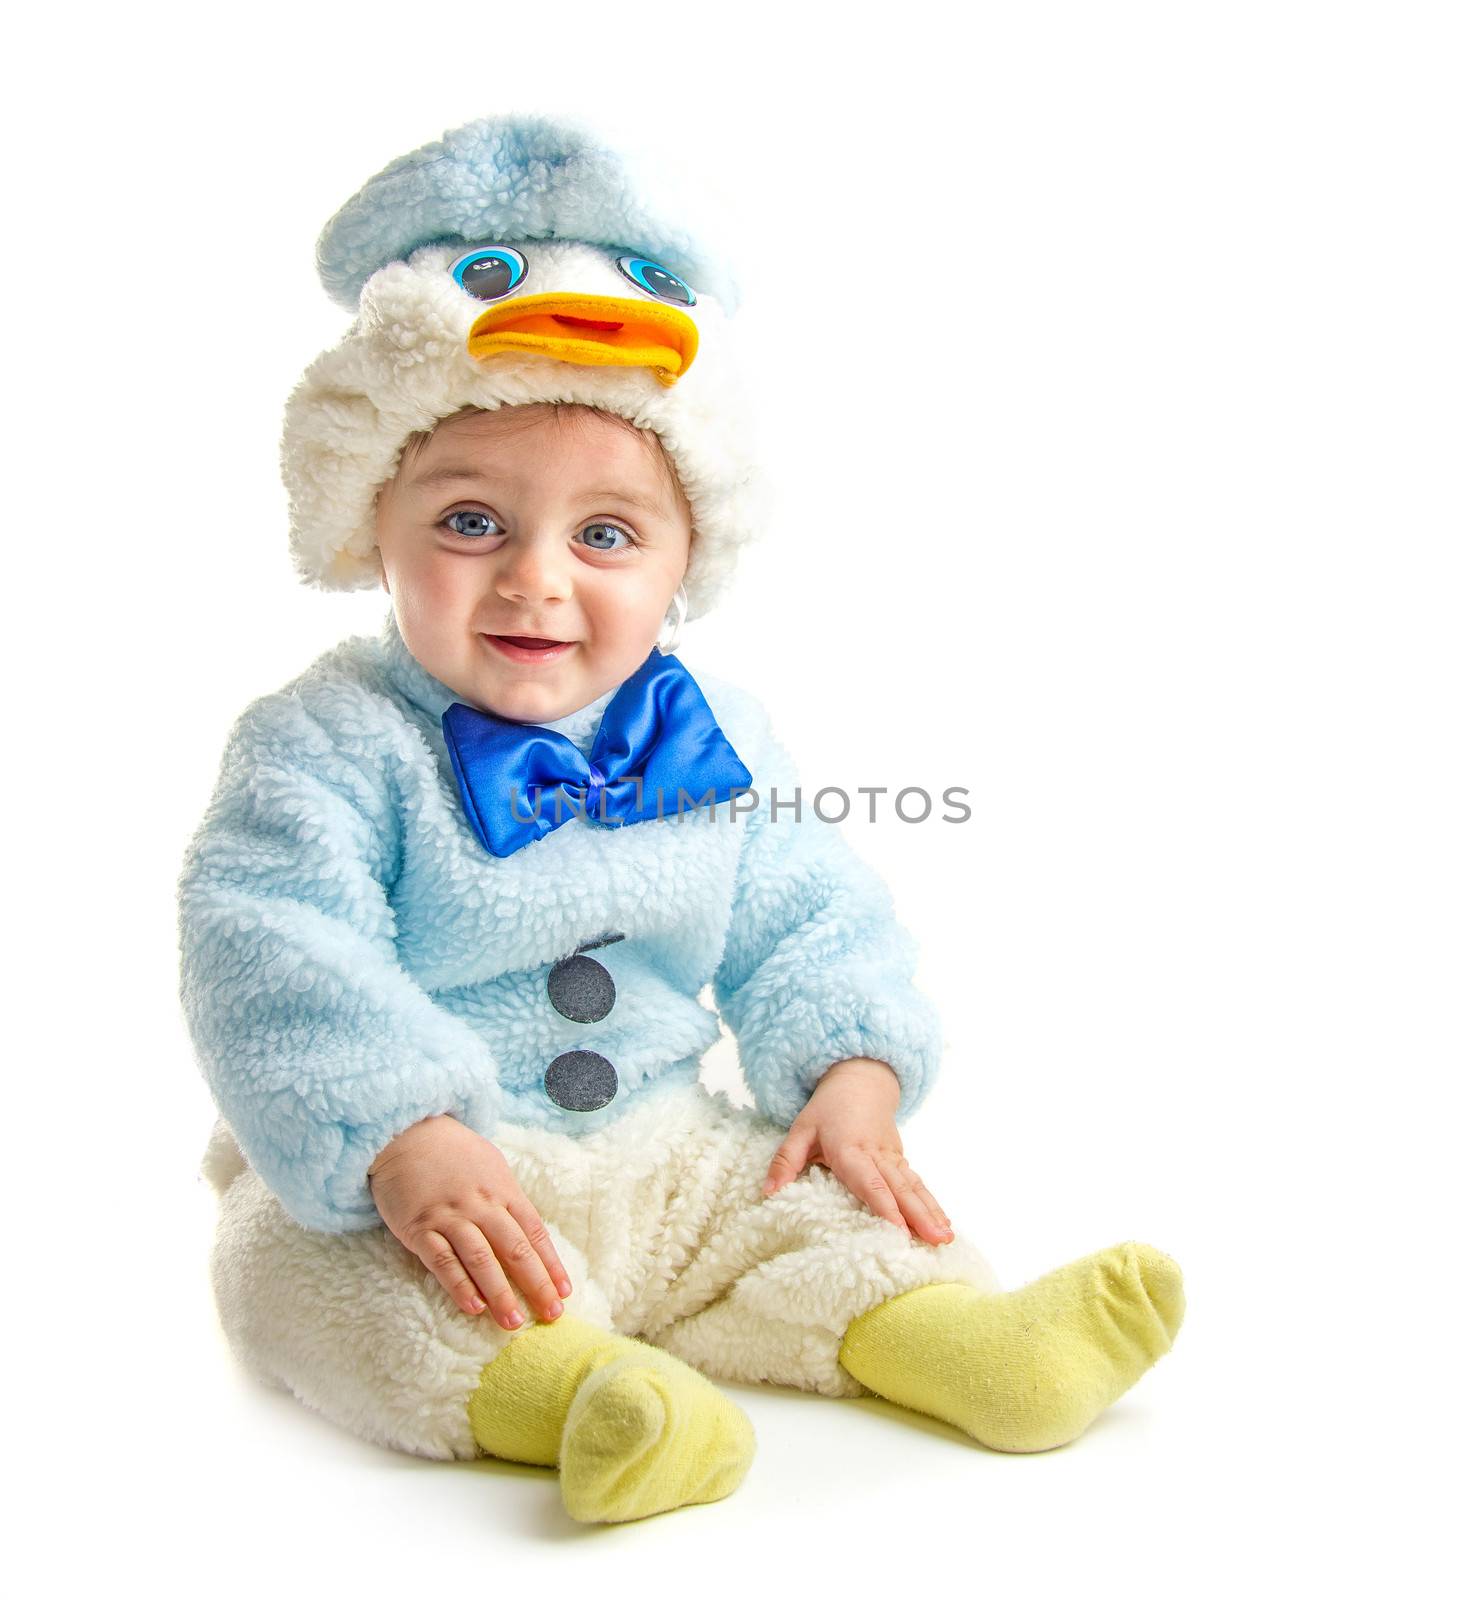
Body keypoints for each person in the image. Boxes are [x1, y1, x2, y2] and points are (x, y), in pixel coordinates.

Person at [178, 112, 1184, 1526]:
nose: (535, 580)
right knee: (335, 1288)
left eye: (604, 535)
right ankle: (581, 1398)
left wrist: (848, 1065)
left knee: (821, 1213)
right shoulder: (322, 744)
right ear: (371, 524)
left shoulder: (707, 735)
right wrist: (396, 1130)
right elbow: (269, 948)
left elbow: (804, 904)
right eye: (470, 522)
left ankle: (958, 1341)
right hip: (423, 1177)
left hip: (665, 1149)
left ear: (683, 561)